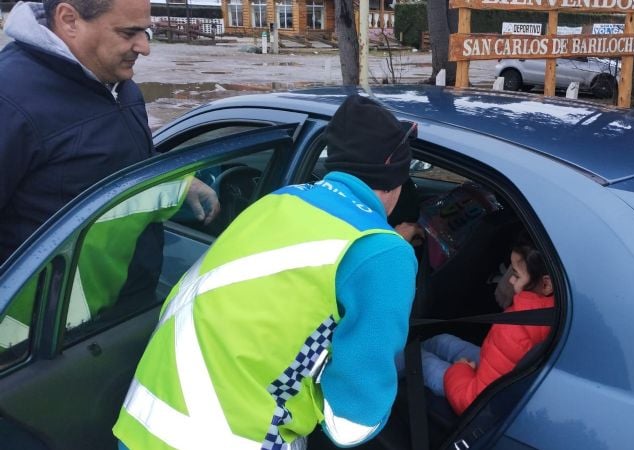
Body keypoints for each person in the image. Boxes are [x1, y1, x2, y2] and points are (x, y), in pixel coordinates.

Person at [113, 94, 420, 450]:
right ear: (397, 177)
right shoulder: (384, 254)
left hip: (142, 426)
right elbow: (350, 425)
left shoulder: (280, 200)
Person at [0, 0, 217, 348]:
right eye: (129, 33)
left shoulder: (119, 85)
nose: (144, 47)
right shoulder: (9, 98)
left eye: (145, 32)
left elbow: (125, 165)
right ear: (69, 20)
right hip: (47, 338)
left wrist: (180, 183)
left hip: (127, 305)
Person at [414, 238, 554, 415]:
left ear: (546, 284)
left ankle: (395, 364)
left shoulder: (515, 329)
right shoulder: (555, 308)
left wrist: (461, 369)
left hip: (475, 396)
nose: (510, 280)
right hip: (503, 374)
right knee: (443, 341)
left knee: (417, 359)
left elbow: (471, 402)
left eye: (517, 275)